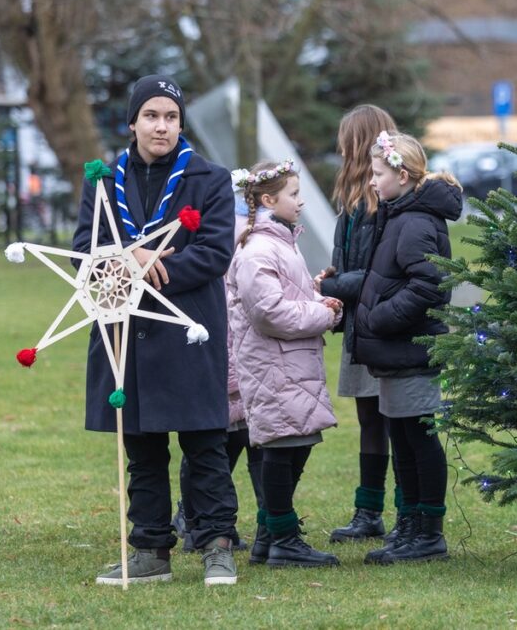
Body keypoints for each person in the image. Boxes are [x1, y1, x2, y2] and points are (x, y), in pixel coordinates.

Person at [73, 74, 238, 586]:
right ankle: (149, 549)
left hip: (188, 328)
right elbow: (85, 247)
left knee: (205, 444)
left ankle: (216, 545)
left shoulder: (209, 178)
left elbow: (214, 252)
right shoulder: (103, 179)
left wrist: (155, 270)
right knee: (141, 447)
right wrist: (128, 259)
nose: (161, 126)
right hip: (125, 329)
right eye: (151, 115)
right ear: (132, 122)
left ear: (180, 124)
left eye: (170, 116)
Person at [353, 131, 462, 565]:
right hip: (397, 354)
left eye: (378, 173)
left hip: (412, 351)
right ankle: (410, 523)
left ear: (402, 173)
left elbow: (429, 286)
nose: (372, 182)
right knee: (402, 437)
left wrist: (380, 319)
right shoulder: (399, 213)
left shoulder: (415, 221)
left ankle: (428, 532)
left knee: (418, 439)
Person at [230, 160, 343, 567]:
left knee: (296, 446)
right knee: (282, 448)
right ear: (267, 199)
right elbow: (269, 312)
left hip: (292, 365)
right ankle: (282, 538)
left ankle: (268, 537)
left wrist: (318, 300)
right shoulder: (258, 248)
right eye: (294, 194)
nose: (301, 201)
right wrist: (324, 316)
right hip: (273, 366)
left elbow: (290, 295)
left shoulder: (281, 243)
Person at [317, 105, 403, 543]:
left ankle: (408, 513)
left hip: (383, 326)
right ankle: (368, 511)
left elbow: (380, 271)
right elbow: (350, 263)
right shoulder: (351, 202)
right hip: (359, 327)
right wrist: (330, 280)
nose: (340, 147)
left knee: (397, 421)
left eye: (345, 139)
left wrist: (340, 284)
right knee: (370, 421)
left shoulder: (386, 203)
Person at [172, 179, 264, 555]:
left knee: (229, 446)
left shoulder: (248, 243)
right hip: (225, 367)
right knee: (213, 449)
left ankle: (200, 519)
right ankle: (194, 519)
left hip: (240, 370)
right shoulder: (228, 243)